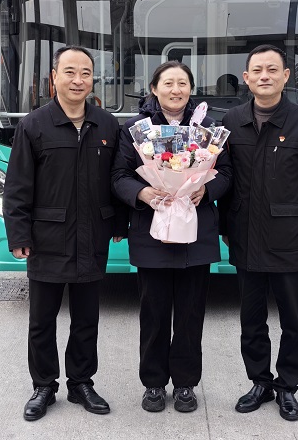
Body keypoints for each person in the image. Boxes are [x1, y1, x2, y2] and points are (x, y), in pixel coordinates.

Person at [3, 46, 127, 422]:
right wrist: (19, 234)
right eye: (70, 72)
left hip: (92, 237)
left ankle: (81, 382)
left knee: (87, 318)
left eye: (86, 73)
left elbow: (118, 179)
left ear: (93, 79)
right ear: (54, 77)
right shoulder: (34, 125)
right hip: (47, 238)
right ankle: (44, 385)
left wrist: (119, 223)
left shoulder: (107, 125)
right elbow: (17, 187)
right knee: (42, 320)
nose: (78, 80)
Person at [220, 45, 298, 422]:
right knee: (251, 320)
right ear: (247, 78)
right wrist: (223, 227)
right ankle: (259, 382)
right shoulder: (232, 121)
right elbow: (223, 179)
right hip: (245, 236)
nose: (264, 76)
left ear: (285, 76)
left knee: (292, 321)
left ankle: (287, 387)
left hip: (290, 238)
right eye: (257, 70)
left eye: (272, 69)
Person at [112, 61, 232, 414]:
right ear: (154, 88)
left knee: (191, 315)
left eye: (182, 83)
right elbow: (118, 175)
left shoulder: (208, 130)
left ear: (190, 89)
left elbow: (227, 173)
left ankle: (185, 384)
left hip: (197, 234)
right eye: (168, 83)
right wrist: (143, 193)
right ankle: (153, 383)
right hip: (152, 233)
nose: (175, 90)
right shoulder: (136, 130)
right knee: (154, 313)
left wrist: (206, 190)